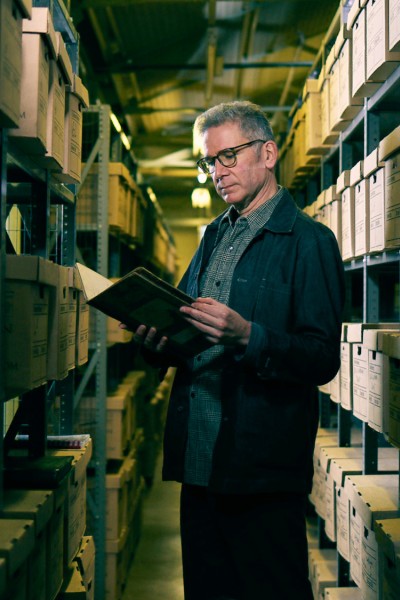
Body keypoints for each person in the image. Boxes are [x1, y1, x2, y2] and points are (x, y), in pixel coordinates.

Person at [131, 100, 345, 600]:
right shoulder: (213, 236)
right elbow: (187, 323)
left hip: (261, 470)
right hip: (200, 465)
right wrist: (158, 341)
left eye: (229, 156)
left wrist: (249, 335)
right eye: (210, 162)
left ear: (268, 153)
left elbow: (321, 357)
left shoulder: (308, 242)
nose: (217, 173)